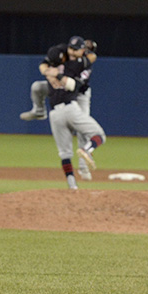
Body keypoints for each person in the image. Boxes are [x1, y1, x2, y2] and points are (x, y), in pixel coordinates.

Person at [21, 36, 98, 180]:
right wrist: (48, 76)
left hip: (79, 94)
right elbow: (44, 64)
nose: (74, 52)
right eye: (72, 49)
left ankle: (83, 167)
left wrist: (59, 77)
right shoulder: (60, 51)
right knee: (37, 87)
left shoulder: (86, 64)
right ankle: (39, 111)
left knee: (83, 132)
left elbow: (76, 86)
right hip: (59, 86)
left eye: (79, 50)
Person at [41, 44, 106, 189]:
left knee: (64, 154)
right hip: (70, 108)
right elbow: (73, 85)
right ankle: (87, 150)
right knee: (99, 135)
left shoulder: (48, 72)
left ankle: (72, 187)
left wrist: (49, 71)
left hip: (54, 114)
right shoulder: (73, 67)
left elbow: (45, 65)